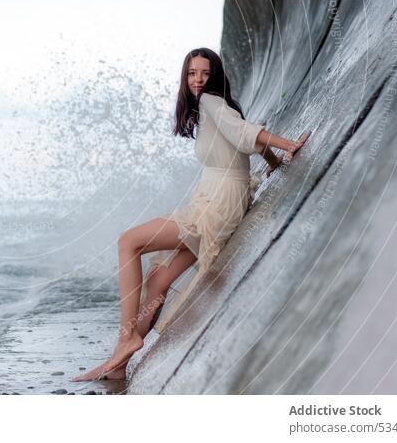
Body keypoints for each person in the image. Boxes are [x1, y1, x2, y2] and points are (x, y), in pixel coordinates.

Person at [71, 47, 310, 382]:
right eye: (192, 73)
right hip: (218, 200)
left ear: (215, 76)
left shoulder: (211, 102)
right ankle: (119, 365)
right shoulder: (211, 108)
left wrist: (287, 147)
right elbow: (241, 137)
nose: (198, 80)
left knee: (129, 242)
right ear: (185, 77)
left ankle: (127, 338)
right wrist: (272, 164)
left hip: (217, 203)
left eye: (204, 73)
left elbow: (243, 132)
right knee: (158, 280)